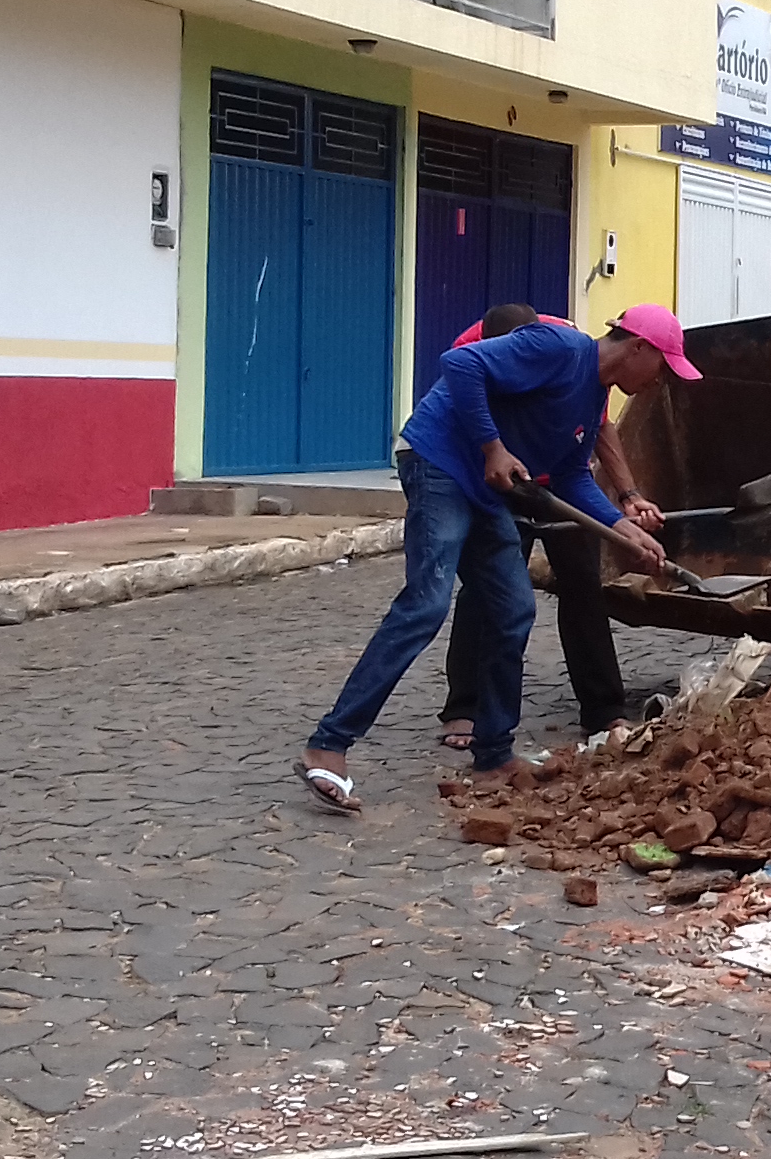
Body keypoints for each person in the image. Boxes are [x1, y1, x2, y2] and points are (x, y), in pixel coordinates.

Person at [297, 304, 701, 814]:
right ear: (638, 347)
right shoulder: (559, 348)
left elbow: (574, 475)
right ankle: (330, 743)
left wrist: (623, 529)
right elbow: (459, 364)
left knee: (514, 610)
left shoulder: (592, 398)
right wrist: (493, 448)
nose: (661, 380)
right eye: (663, 366)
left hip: (487, 495)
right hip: (439, 462)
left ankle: (493, 754)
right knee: (427, 604)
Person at [429, 312, 661, 752]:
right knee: (486, 590)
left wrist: (626, 504)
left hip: (560, 480)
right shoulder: (473, 348)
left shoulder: (571, 354)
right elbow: (460, 399)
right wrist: (492, 454)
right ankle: (465, 706)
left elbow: (599, 431)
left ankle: (603, 709)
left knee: (583, 587)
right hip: (501, 479)